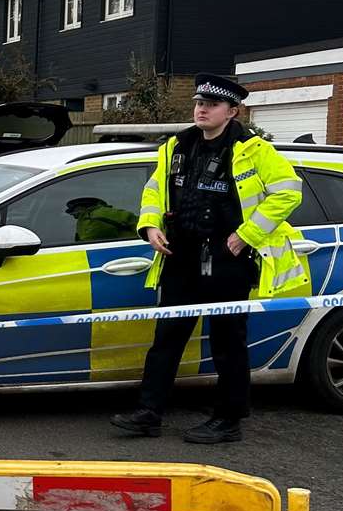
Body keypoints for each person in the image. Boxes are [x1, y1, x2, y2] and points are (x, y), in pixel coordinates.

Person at [111, 74, 309, 444]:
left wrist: (246, 235)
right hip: (181, 255)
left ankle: (228, 419)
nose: (202, 108)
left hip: (227, 257)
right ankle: (148, 413)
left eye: (212, 104)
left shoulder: (254, 149)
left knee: (227, 342)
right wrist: (150, 226)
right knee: (166, 338)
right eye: (199, 102)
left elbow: (288, 193)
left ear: (232, 111)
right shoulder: (176, 145)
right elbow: (154, 189)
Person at [65, 196, 138, 242]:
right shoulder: (96, 215)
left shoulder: (95, 216)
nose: (74, 215)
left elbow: (89, 240)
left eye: (74, 211)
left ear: (82, 208)